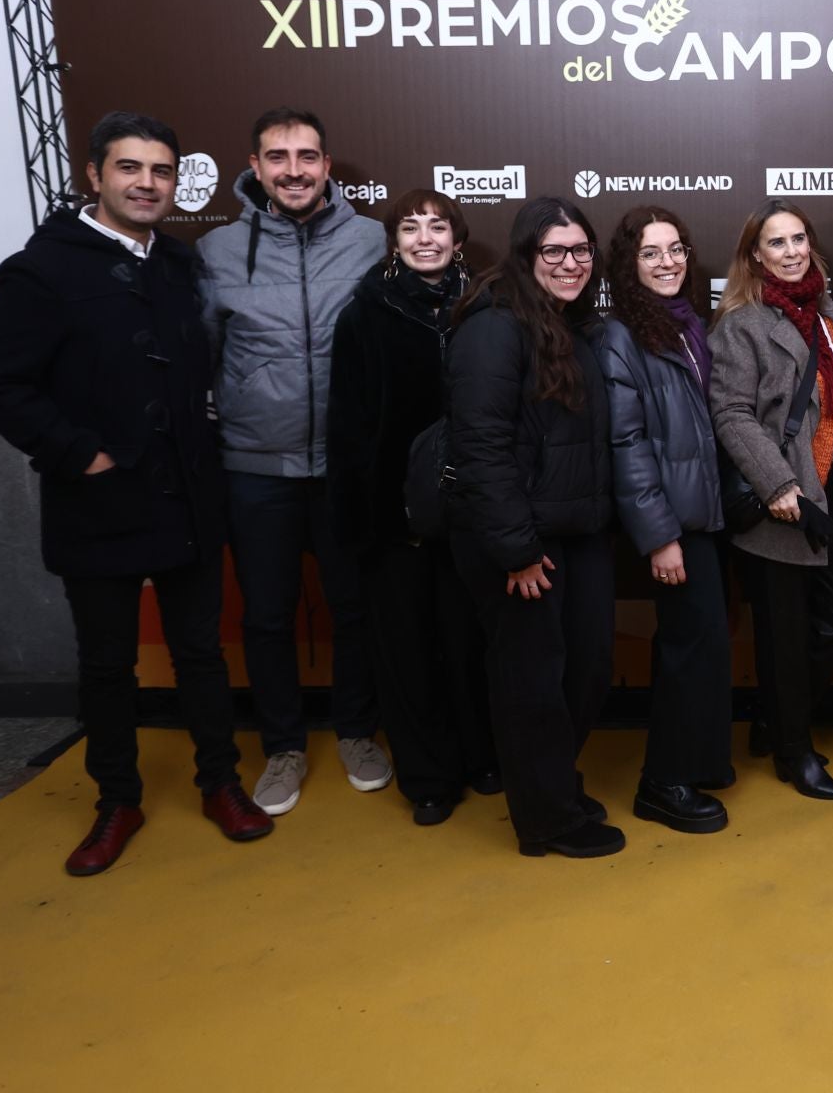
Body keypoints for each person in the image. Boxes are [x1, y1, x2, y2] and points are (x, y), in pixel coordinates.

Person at [0, 111, 273, 875]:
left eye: (161, 171)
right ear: (94, 175)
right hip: (97, 503)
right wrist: (82, 456)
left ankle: (221, 783)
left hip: (187, 498)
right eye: (130, 168)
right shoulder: (42, 269)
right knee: (107, 665)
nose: (146, 183)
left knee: (200, 653)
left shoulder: (178, 265)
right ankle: (116, 802)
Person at [197, 107, 389, 816]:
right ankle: (282, 746)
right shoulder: (218, 251)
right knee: (268, 616)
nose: (294, 170)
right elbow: (202, 355)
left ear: (327, 166)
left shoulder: (373, 240)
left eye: (307, 156)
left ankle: (357, 731)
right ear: (255, 167)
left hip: (345, 466)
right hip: (255, 467)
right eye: (277, 157)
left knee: (356, 608)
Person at [446, 197, 620, 858]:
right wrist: (517, 550)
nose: (571, 263)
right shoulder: (494, 327)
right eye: (555, 251)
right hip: (523, 543)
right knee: (533, 683)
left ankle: (554, 787)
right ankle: (546, 821)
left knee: (586, 670)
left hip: (576, 529)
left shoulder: (566, 323)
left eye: (581, 251)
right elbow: (481, 445)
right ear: (525, 256)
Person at [326, 189, 500, 826]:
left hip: (473, 512)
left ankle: (482, 757)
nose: (425, 238)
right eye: (410, 227)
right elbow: (347, 429)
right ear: (394, 241)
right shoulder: (365, 314)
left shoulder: (487, 307)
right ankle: (428, 779)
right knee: (407, 651)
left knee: (471, 642)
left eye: (437, 226)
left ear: (458, 237)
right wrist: (360, 522)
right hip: (394, 519)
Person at [708, 199, 833, 800]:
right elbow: (731, 412)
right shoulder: (741, 323)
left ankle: (776, 719)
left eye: (799, 239)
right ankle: (794, 752)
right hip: (782, 496)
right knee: (783, 636)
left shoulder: (829, 313)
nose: (792, 251)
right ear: (755, 255)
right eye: (777, 242)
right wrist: (777, 484)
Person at [595, 205, 734, 832]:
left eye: (675, 249)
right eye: (650, 253)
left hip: (703, 513)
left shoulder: (687, 323)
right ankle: (662, 782)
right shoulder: (622, 336)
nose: (667, 262)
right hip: (673, 525)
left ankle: (699, 761)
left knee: (705, 643)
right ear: (629, 264)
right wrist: (660, 538)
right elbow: (627, 445)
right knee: (685, 647)